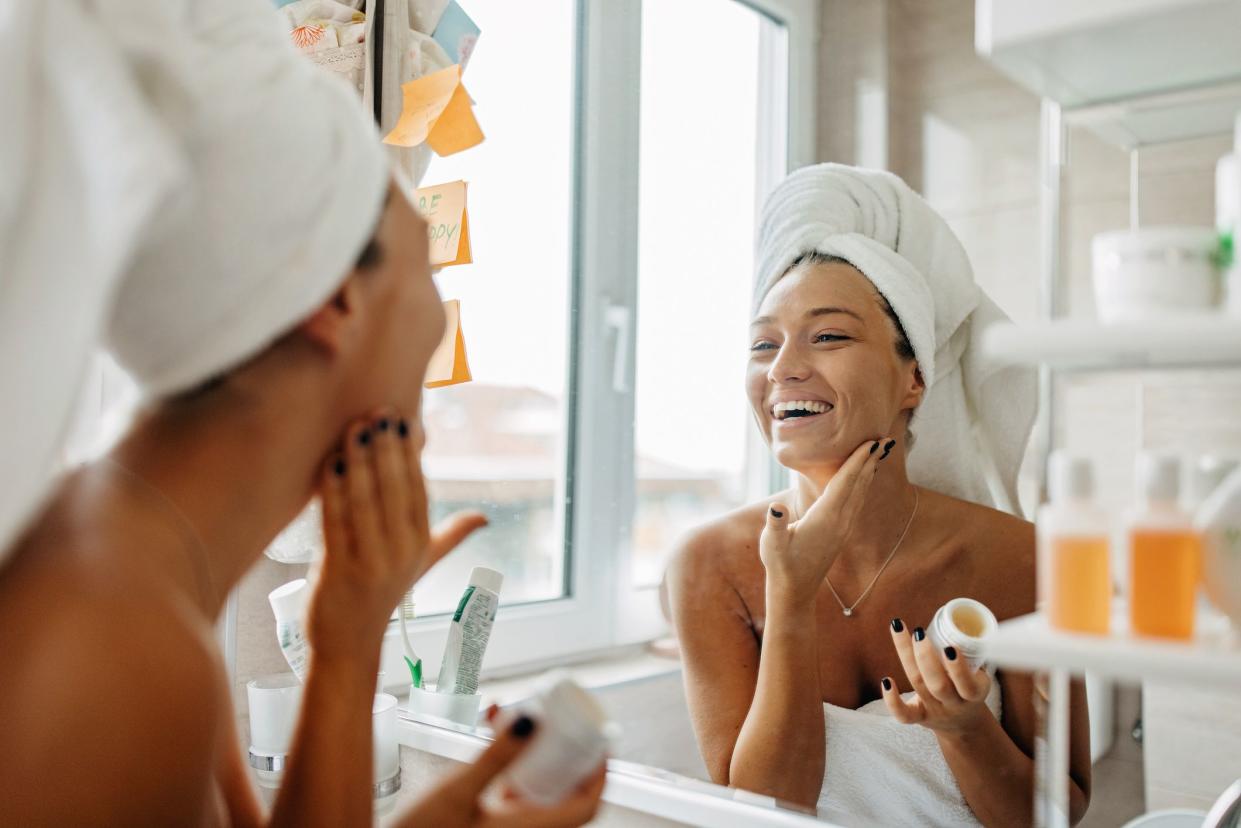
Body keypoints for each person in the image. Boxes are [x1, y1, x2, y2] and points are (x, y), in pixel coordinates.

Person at [0, 2, 603, 825]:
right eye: (422, 266)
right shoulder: (114, 646)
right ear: (336, 302)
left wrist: (348, 652)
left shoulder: (146, 575)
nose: (437, 315)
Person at [665, 164, 1091, 827]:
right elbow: (762, 813)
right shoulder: (708, 565)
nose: (782, 368)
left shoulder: (1021, 557)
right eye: (762, 344)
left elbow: (1056, 815)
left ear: (913, 378)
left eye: (827, 335)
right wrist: (792, 599)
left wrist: (965, 729)